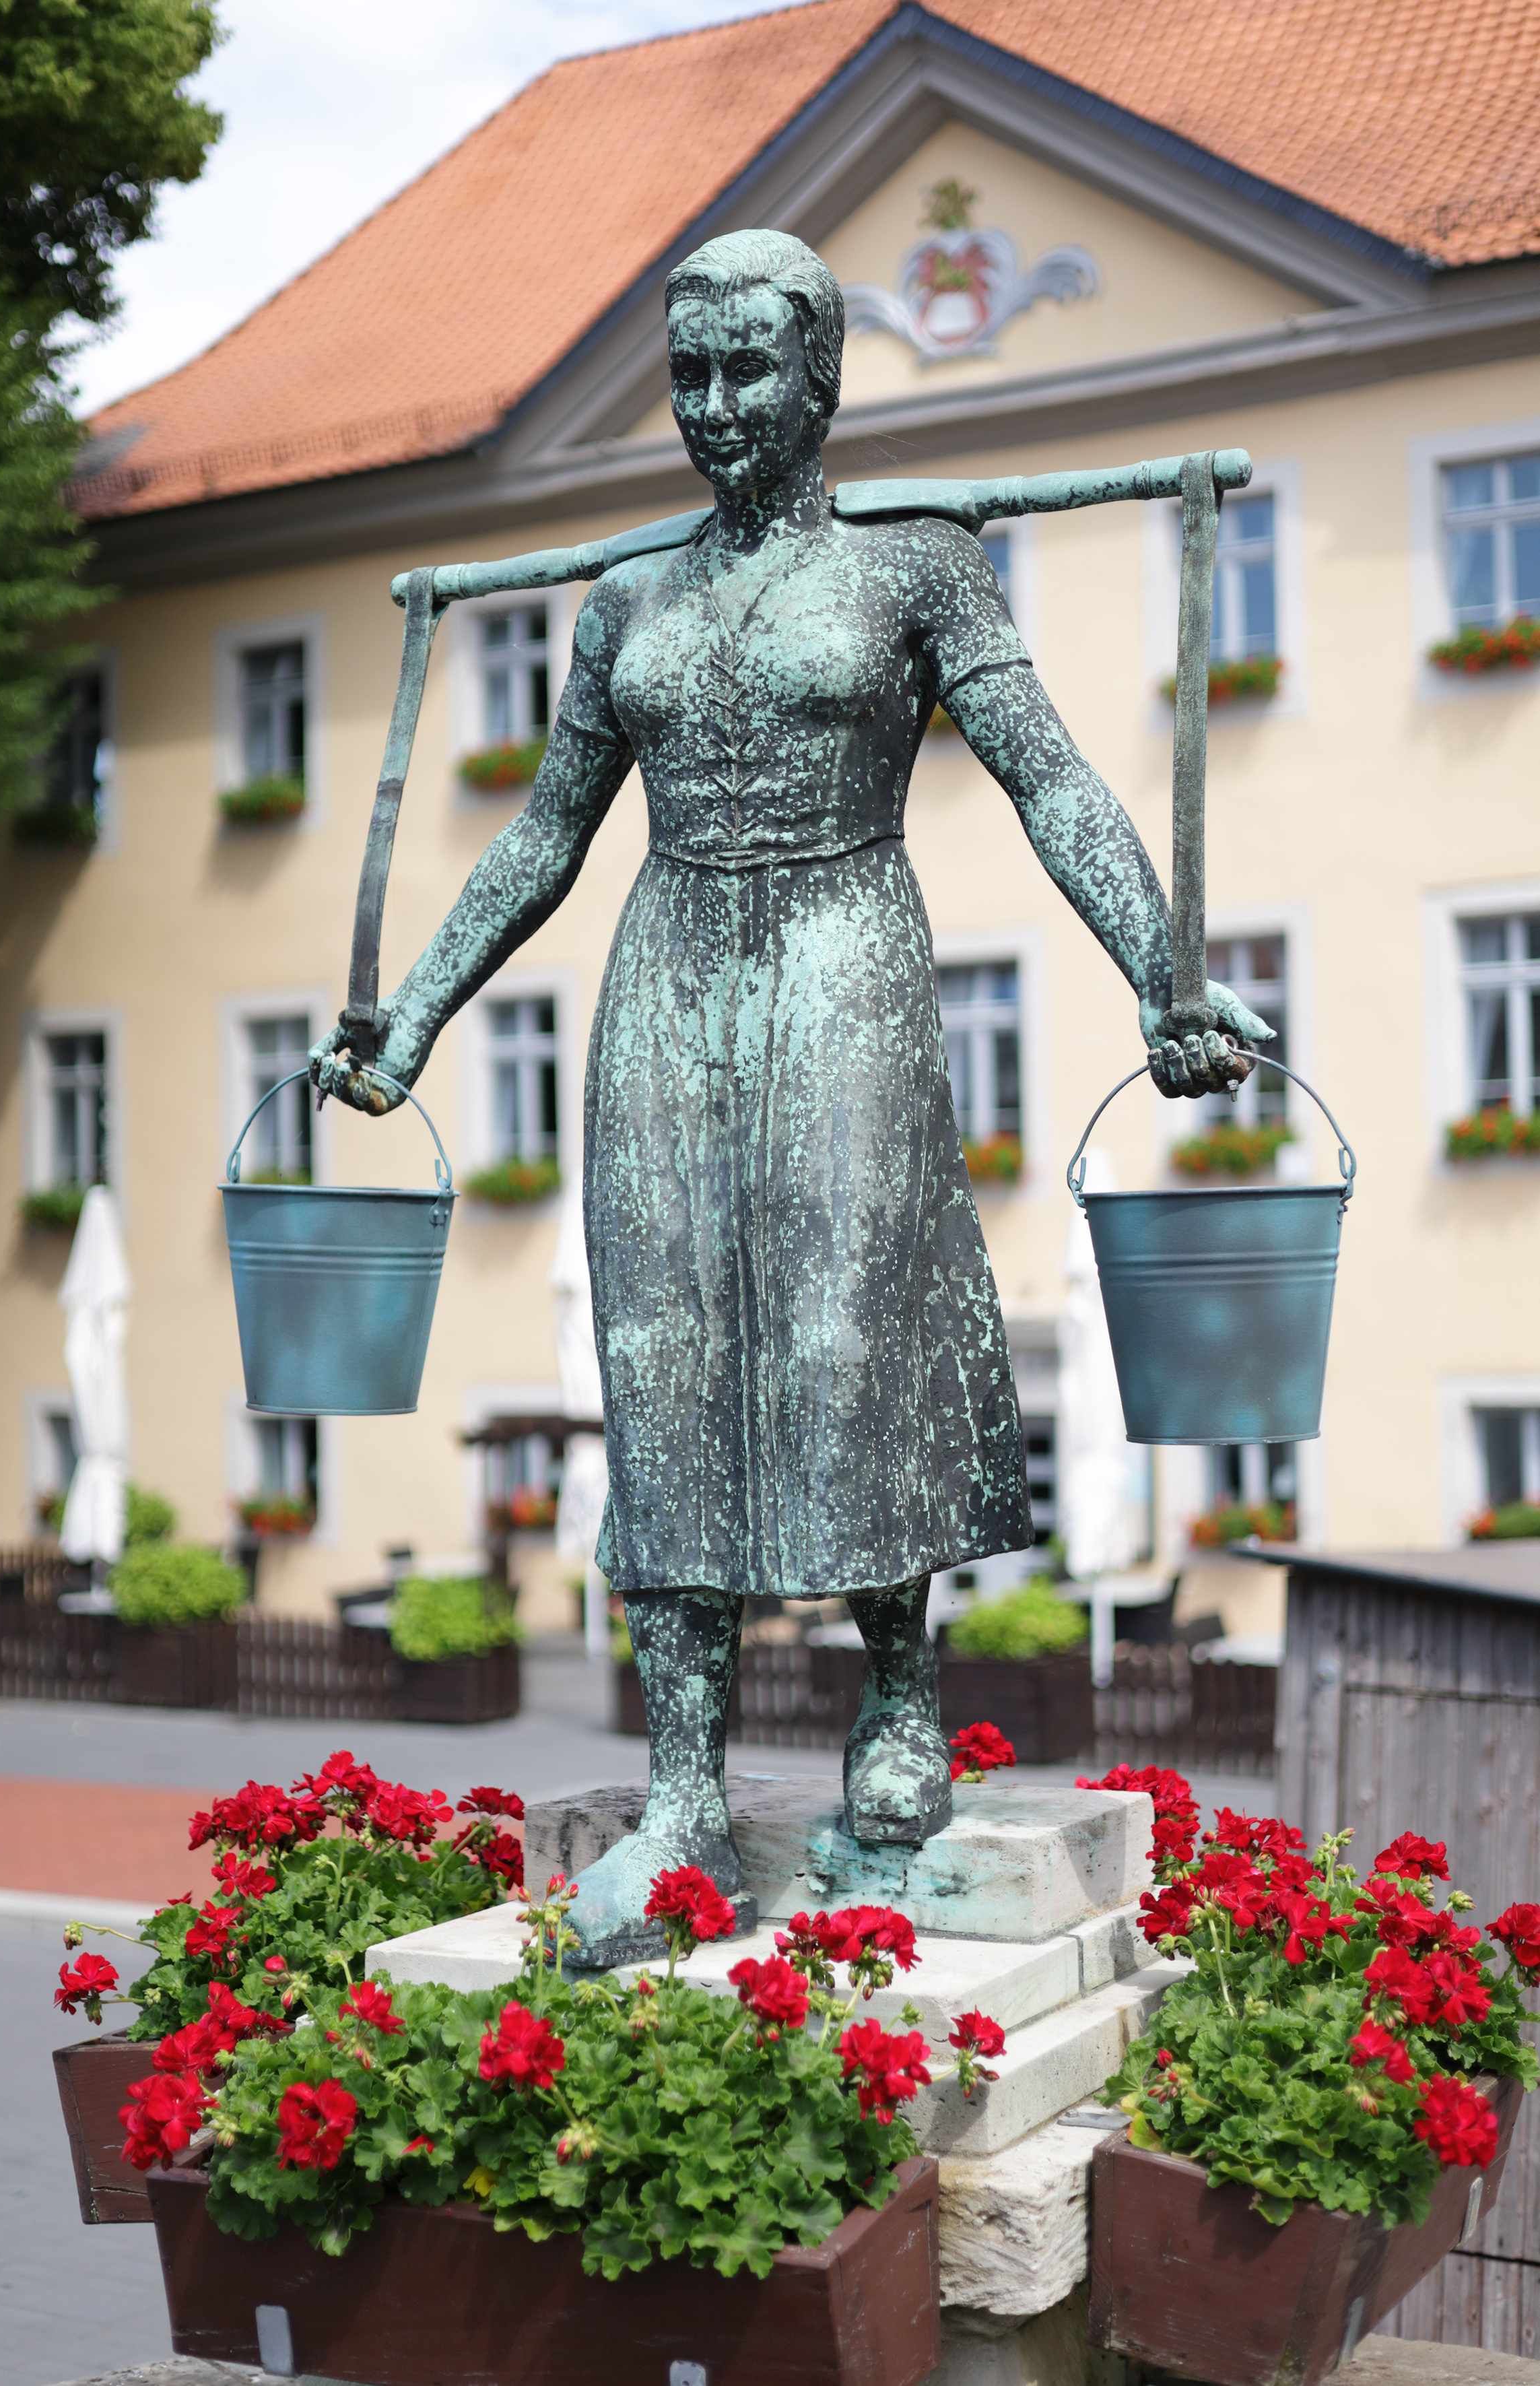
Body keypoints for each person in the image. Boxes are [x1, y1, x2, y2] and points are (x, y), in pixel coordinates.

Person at [312, 229, 1267, 1965]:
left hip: (843, 946)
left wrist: (1164, 970)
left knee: (848, 1331)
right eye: (690, 374)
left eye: (749, 368)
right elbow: (547, 832)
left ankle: (896, 1696)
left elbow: (1051, 780)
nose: (715, 404)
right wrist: (414, 1016)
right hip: (669, 967)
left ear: (822, 379)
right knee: (663, 1350)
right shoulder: (630, 601)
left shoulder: (916, 566)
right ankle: (682, 1785)